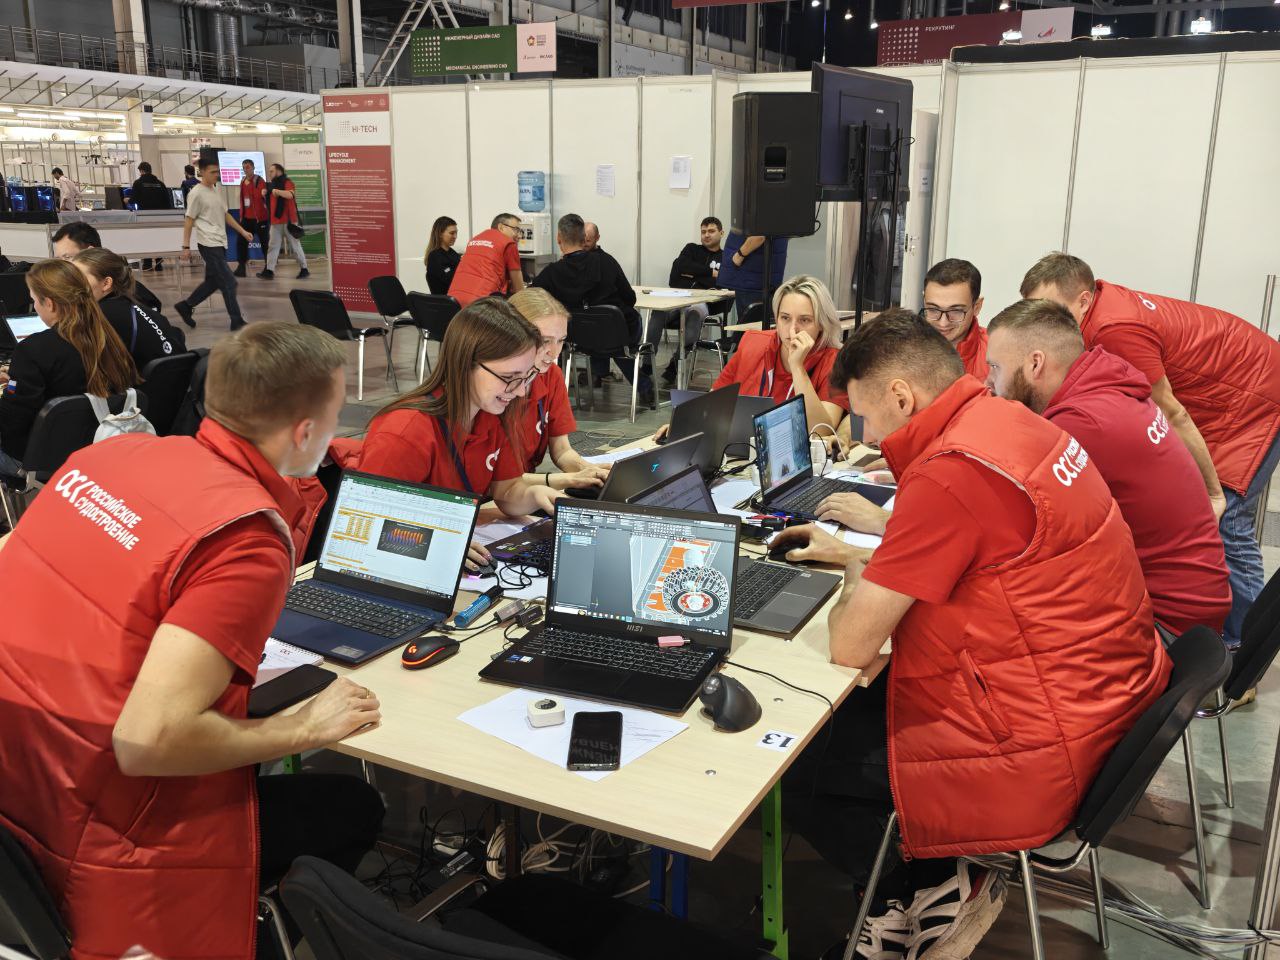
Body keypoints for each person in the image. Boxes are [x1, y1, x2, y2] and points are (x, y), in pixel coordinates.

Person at [772, 311, 1171, 960]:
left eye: (867, 416)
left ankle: (923, 893)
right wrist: (874, 559)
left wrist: (855, 571)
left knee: (792, 759)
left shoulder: (950, 471)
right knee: (852, 715)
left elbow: (850, 645)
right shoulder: (1013, 423)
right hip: (1101, 700)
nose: (867, 434)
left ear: (903, 396)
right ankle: (928, 881)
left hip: (1042, 746)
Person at [0, 322, 385, 960]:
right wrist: (303, 729)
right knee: (351, 805)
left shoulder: (106, 457)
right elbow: (147, 741)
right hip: (117, 835)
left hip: (26, 781)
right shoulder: (245, 538)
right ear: (304, 433)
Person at [1021, 252, 1280, 651]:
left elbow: (1172, 412)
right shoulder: (1095, 313)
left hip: (1256, 395)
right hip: (1230, 390)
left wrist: (1213, 493)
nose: (1040, 323)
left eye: (1049, 309)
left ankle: (1242, 649)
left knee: (1229, 520)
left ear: (1084, 300)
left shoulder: (1114, 329)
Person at [983, 297, 1231, 637]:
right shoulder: (1105, 384)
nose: (988, 381)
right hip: (1196, 601)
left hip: (1166, 623)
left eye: (995, 367)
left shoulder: (1081, 422)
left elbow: (1008, 526)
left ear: (1035, 364)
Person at [342, 297, 561, 570]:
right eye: (509, 377)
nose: (519, 391)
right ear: (465, 363)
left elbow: (506, 490)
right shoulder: (405, 432)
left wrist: (536, 494)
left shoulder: (493, 414)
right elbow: (365, 525)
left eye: (527, 376)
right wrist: (437, 542)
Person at [0, 259, 139, 474]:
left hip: (40, 460)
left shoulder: (33, 350)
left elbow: (13, 422)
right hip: (98, 446)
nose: (34, 307)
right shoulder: (108, 338)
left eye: (34, 300)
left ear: (50, 303)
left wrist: (11, 390)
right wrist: (19, 379)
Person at [531, 213, 651, 404]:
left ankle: (583, 380)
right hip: (616, 334)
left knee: (596, 330)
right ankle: (644, 387)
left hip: (578, 339)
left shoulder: (552, 273)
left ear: (559, 239)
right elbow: (630, 297)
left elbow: (531, 297)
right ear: (583, 238)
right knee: (617, 336)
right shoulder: (606, 262)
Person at [706, 275, 848, 433]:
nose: (793, 329)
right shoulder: (753, 342)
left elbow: (822, 430)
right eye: (785, 318)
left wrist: (797, 367)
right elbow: (711, 406)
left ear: (821, 323)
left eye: (805, 320)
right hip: (744, 443)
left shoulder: (834, 361)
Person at [509, 288, 611, 491]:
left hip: (523, 491)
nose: (555, 352)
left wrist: (588, 470)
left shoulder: (551, 375)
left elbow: (562, 450)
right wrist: (569, 479)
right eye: (545, 341)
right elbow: (498, 482)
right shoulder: (492, 387)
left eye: (561, 340)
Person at [73, 248, 188, 370]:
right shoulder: (132, 303)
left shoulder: (101, 315)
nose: (69, 284)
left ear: (106, 283)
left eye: (78, 279)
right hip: (179, 376)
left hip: (152, 380)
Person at [175, 157, 255, 332]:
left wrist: (242, 231)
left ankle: (186, 306)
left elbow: (225, 214)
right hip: (208, 243)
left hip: (219, 242)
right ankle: (236, 321)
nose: (216, 175)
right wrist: (185, 247)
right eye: (212, 172)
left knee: (213, 282)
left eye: (217, 172)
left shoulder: (215, 190)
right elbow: (189, 220)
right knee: (229, 282)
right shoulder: (196, 193)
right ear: (202, 172)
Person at [649, 216, 726, 386]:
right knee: (658, 311)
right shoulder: (691, 249)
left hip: (703, 303)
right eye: (703, 232)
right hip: (678, 296)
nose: (706, 235)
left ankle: (674, 366)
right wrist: (710, 274)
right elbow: (676, 275)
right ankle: (646, 365)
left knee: (694, 317)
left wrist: (693, 276)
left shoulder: (726, 257)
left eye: (711, 231)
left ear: (721, 233)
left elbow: (722, 283)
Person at [51, 221, 162, 314]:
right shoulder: (74, 290)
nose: (61, 266)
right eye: (58, 260)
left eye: (67, 257)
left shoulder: (131, 295)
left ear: (90, 252)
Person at [921, 258, 987, 380]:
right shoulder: (904, 350)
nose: (943, 323)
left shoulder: (998, 355)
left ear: (977, 307)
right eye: (933, 309)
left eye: (956, 311)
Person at [448, 213, 526, 307]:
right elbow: (519, 290)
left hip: (452, 302)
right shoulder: (509, 244)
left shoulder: (474, 240)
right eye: (516, 230)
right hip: (481, 306)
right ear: (501, 227)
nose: (519, 235)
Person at [717, 230, 788, 320]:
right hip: (761, 277)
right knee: (761, 323)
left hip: (751, 278)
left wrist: (739, 255)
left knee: (749, 325)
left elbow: (759, 234)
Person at [260, 163, 309, 281]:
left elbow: (290, 195)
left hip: (289, 221)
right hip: (275, 221)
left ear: (279, 171)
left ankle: (304, 269)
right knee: (272, 246)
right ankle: (269, 270)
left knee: (295, 246)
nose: (269, 173)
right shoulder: (271, 186)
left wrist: (277, 191)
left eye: (272, 171)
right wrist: (265, 193)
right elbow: (270, 203)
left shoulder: (287, 182)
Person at [234, 157, 270, 279]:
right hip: (246, 219)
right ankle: (241, 267)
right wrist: (241, 216)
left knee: (265, 244)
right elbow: (242, 200)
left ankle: (269, 268)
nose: (246, 170)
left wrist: (253, 187)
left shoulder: (259, 180)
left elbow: (260, 196)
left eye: (248, 167)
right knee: (241, 242)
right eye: (244, 168)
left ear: (253, 168)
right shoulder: (242, 181)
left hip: (260, 219)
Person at [131, 162, 170, 272]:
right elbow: (167, 202)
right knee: (158, 239)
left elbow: (134, 199)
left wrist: (127, 200)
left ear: (142, 171)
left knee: (146, 239)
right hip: (159, 217)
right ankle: (158, 263)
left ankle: (147, 264)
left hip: (144, 216)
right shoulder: (160, 184)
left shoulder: (138, 183)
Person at [425, 215, 461, 295]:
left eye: (456, 233)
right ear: (440, 234)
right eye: (452, 233)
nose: (455, 236)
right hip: (445, 300)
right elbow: (453, 280)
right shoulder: (434, 257)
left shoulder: (453, 253)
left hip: (456, 297)